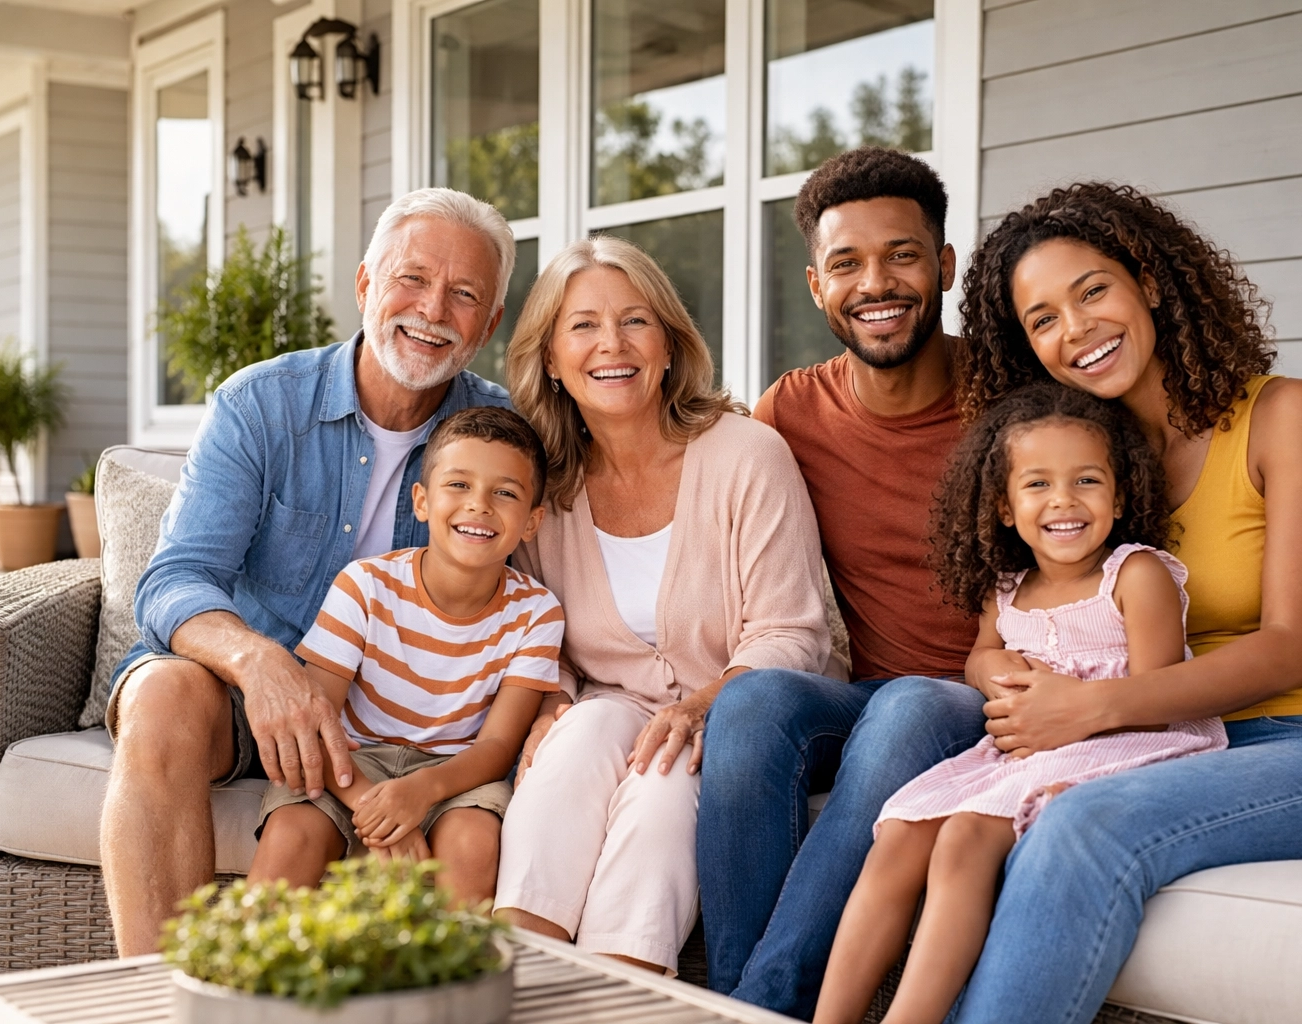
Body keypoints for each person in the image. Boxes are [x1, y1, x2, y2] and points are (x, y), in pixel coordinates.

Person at [945, 182, 1302, 1023]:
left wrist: (1087, 710)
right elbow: (1018, 615)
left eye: (1092, 291)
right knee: (928, 788)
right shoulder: (1089, 475)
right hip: (1158, 743)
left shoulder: (1284, 415)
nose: (1075, 330)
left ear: (1149, 281)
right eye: (1042, 318)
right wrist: (1009, 678)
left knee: (1081, 826)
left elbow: (1292, 647)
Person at [98, 187, 517, 955]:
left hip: (400, 730)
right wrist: (258, 662)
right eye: (411, 279)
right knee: (162, 693)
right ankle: (163, 997)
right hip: (244, 701)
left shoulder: (502, 441)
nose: (431, 310)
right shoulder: (261, 404)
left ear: (489, 325)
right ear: (365, 285)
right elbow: (173, 578)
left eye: (464, 295)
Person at [814, 383, 1227, 1024]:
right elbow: (979, 656)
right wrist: (990, 667)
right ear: (1004, 507)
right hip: (1023, 749)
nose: (1063, 500)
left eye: (1086, 480)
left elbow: (1155, 701)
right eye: (1037, 485)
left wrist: (1070, 704)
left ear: (1119, 496)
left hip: (1131, 742)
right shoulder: (1008, 588)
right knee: (898, 834)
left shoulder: (1136, 575)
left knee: (964, 839)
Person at [493, 236, 833, 977]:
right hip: (615, 711)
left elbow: (793, 632)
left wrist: (703, 705)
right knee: (575, 741)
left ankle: (621, 995)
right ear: (549, 357)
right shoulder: (546, 488)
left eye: (635, 321)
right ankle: (511, 980)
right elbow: (532, 629)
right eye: (582, 325)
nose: (610, 344)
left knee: (659, 788)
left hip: (746, 722)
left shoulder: (747, 454)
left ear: (671, 345)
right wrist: (548, 701)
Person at [698, 146, 986, 1016]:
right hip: (865, 700)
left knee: (914, 703)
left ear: (943, 266)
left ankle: (762, 1002)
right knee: (748, 704)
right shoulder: (790, 411)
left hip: (985, 703)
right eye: (846, 264)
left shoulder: (1019, 402)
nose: (877, 283)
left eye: (901, 255)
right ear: (819, 287)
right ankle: (733, 993)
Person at [247, 407, 561, 906]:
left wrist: (421, 793)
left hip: (458, 770)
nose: (478, 506)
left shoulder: (537, 612)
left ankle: (454, 982)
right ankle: (243, 977)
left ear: (532, 521)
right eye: (458, 485)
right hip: (348, 759)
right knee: (291, 836)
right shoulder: (365, 586)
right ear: (421, 501)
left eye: (504, 493)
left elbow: (499, 746)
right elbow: (316, 719)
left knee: (473, 845)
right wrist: (377, 808)